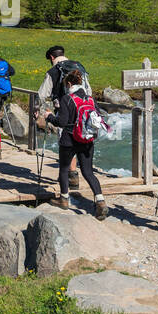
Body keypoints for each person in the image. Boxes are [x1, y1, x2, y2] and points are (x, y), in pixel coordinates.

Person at [41, 67, 108, 218]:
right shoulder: (90, 99)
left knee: (64, 169)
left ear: (69, 84)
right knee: (88, 172)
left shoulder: (67, 99)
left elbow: (62, 122)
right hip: (86, 139)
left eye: (66, 85)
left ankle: (64, 200)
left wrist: (49, 116)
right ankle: (100, 201)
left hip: (69, 139)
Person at [36, 45, 91, 189]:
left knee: (66, 143)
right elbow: (89, 92)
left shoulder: (53, 71)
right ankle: (75, 174)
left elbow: (42, 94)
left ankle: (71, 176)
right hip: (84, 111)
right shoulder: (79, 67)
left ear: (51, 57)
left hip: (64, 111)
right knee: (81, 138)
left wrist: (38, 110)